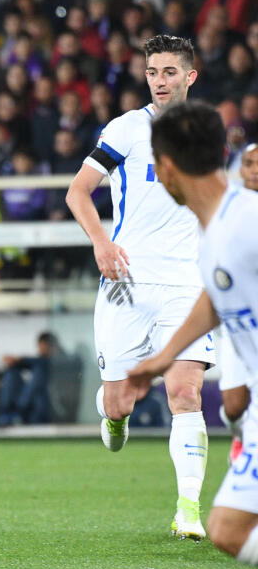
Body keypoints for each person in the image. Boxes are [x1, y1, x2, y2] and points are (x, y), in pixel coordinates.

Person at [65, 34, 215, 541]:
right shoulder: (127, 129)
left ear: (190, 76)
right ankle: (113, 420)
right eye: (153, 72)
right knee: (119, 403)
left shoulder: (209, 136)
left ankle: (188, 510)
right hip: (125, 280)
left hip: (187, 286)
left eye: (170, 72)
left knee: (184, 391)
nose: (160, 81)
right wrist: (101, 243)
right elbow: (78, 192)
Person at [125, 101, 258, 565]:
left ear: (165, 167)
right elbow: (217, 295)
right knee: (227, 531)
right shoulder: (213, 229)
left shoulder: (247, 221)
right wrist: (166, 358)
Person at [216, 143, 258, 462]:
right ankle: (239, 433)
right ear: (240, 170)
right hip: (237, 317)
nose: (255, 169)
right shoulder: (227, 208)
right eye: (249, 163)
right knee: (233, 405)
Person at [0, 332, 59, 426]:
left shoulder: (60, 361)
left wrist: (19, 360)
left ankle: (18, 412)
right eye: (42, 345)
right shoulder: (38, 361)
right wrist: (14, 363)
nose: (44, 348)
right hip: (29, 406)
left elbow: (42, 363)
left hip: (47, 408)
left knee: (39, 374)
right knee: (12, 373)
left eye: (47, 345)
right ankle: (7, 413)